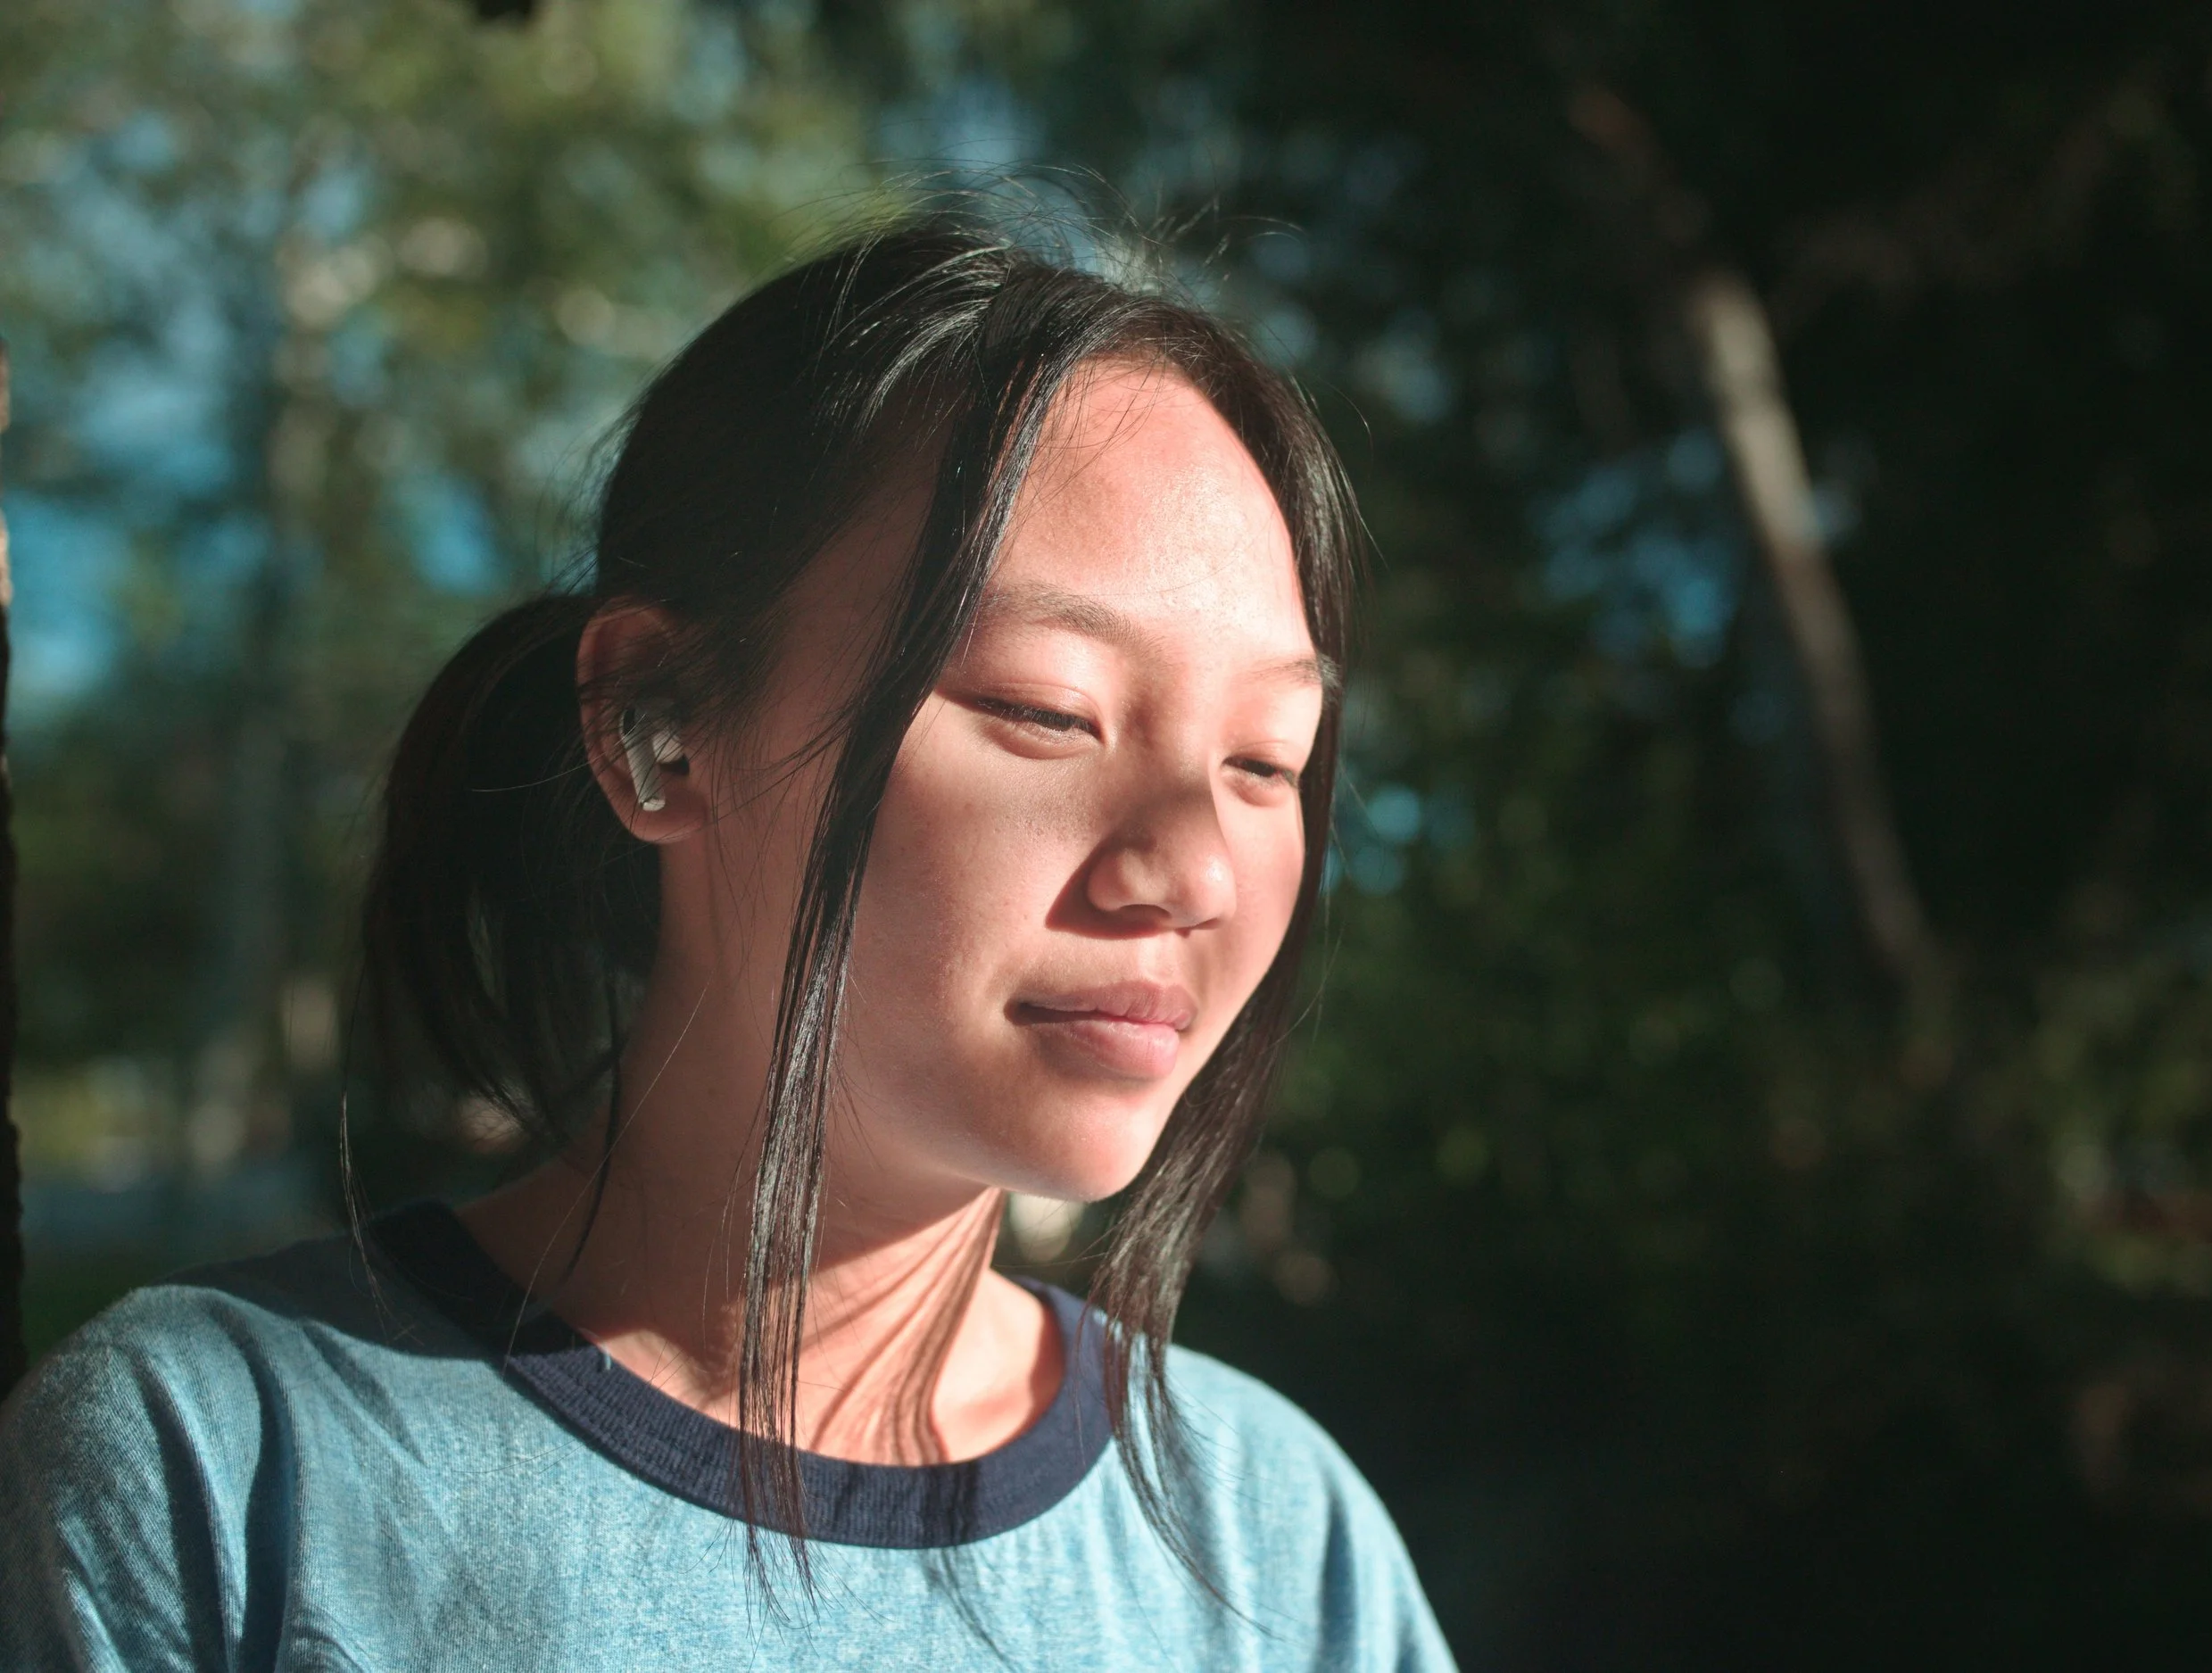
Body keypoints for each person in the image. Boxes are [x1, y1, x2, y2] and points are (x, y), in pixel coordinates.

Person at [0, 220, 1454, 1670]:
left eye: (1267, 759)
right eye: (1048, 708)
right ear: (657, 724)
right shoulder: (220, 1473)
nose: (1194, 871)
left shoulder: (1280, 1544)